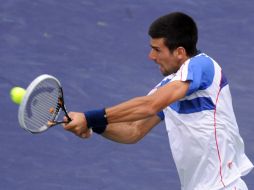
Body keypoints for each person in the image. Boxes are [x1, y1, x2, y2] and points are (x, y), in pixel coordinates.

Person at [63, 12, 253, 190]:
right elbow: (133, 130)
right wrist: (94, 125)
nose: (151, 56)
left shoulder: (202, 65)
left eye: (157, 50)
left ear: (179, 52)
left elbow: (150, 105)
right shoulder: (169, 87)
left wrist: (89, 118)